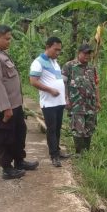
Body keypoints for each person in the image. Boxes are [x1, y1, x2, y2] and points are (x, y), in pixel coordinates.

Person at [0, 25, 39, 179]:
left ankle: (19, 161)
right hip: (4, 107)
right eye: (7, 38)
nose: (9, 41)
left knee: (19, 133)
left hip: (15, 104)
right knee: (5, 137)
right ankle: (7, 168)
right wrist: (6, 108)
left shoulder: (1, 54)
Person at [29, 36, 69, 167]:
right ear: (47, 47)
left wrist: (65, 97)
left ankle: (57, 150)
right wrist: (50, 90)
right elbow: (33, 81)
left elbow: (59, 81)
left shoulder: (55, 62)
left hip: (59, 102)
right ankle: (54, 156)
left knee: (57, 129)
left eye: (59, 50)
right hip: (49, 103)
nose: (58, 53)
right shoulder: (38, 62)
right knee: (51, 129)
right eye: (55, 49)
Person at [62, 43, 101, 155]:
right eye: (85, 53)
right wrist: (66, 99)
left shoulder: (92, 68)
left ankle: (86, 153)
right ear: (79, 53)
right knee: (78, 129)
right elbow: (63, 84)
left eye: (89, 53)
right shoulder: (69, 66)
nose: (87, 56)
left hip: (90, 104)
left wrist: (98, 101)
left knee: (89, 129)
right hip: (76, 104)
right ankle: (79, 153)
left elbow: (96, 85)